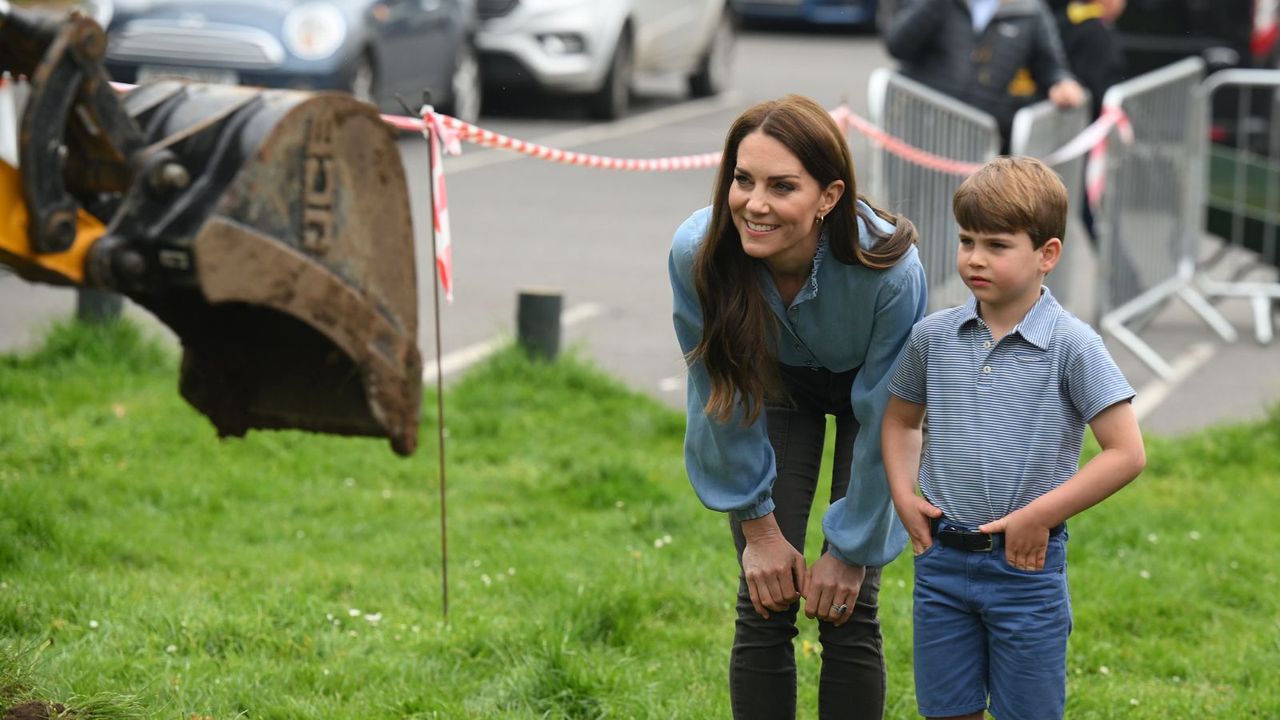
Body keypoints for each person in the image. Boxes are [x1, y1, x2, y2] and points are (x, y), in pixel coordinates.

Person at [668, 94, 928, 720]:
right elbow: (719, 393)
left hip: (874, 405)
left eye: (782, 186)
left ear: (829, 196)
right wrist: (759, 530)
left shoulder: (892, 271)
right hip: (774, 388)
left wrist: (850, 550)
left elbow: (891, 418)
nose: (754, 204)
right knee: (764, 597)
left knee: (850, 604)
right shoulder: (696, 253)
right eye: (742, 179)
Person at [881, 156, 1146, 720]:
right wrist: (904, 495)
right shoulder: (932, 337)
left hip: (1025, 568)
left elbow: (1126, 453)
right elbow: (902, 420)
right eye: (966, 240)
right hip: (941, 561)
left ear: (1047, 254)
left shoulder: (1073, 345)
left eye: (997, 245)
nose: (975, 258)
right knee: (947, 710)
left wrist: (1038, 515)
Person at [883, 0, 1087, 150]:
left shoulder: (1030, 10)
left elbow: (1051, 67)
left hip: (984, 142)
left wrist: (1062, 82)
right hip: (920, 134)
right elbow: (898, 45)